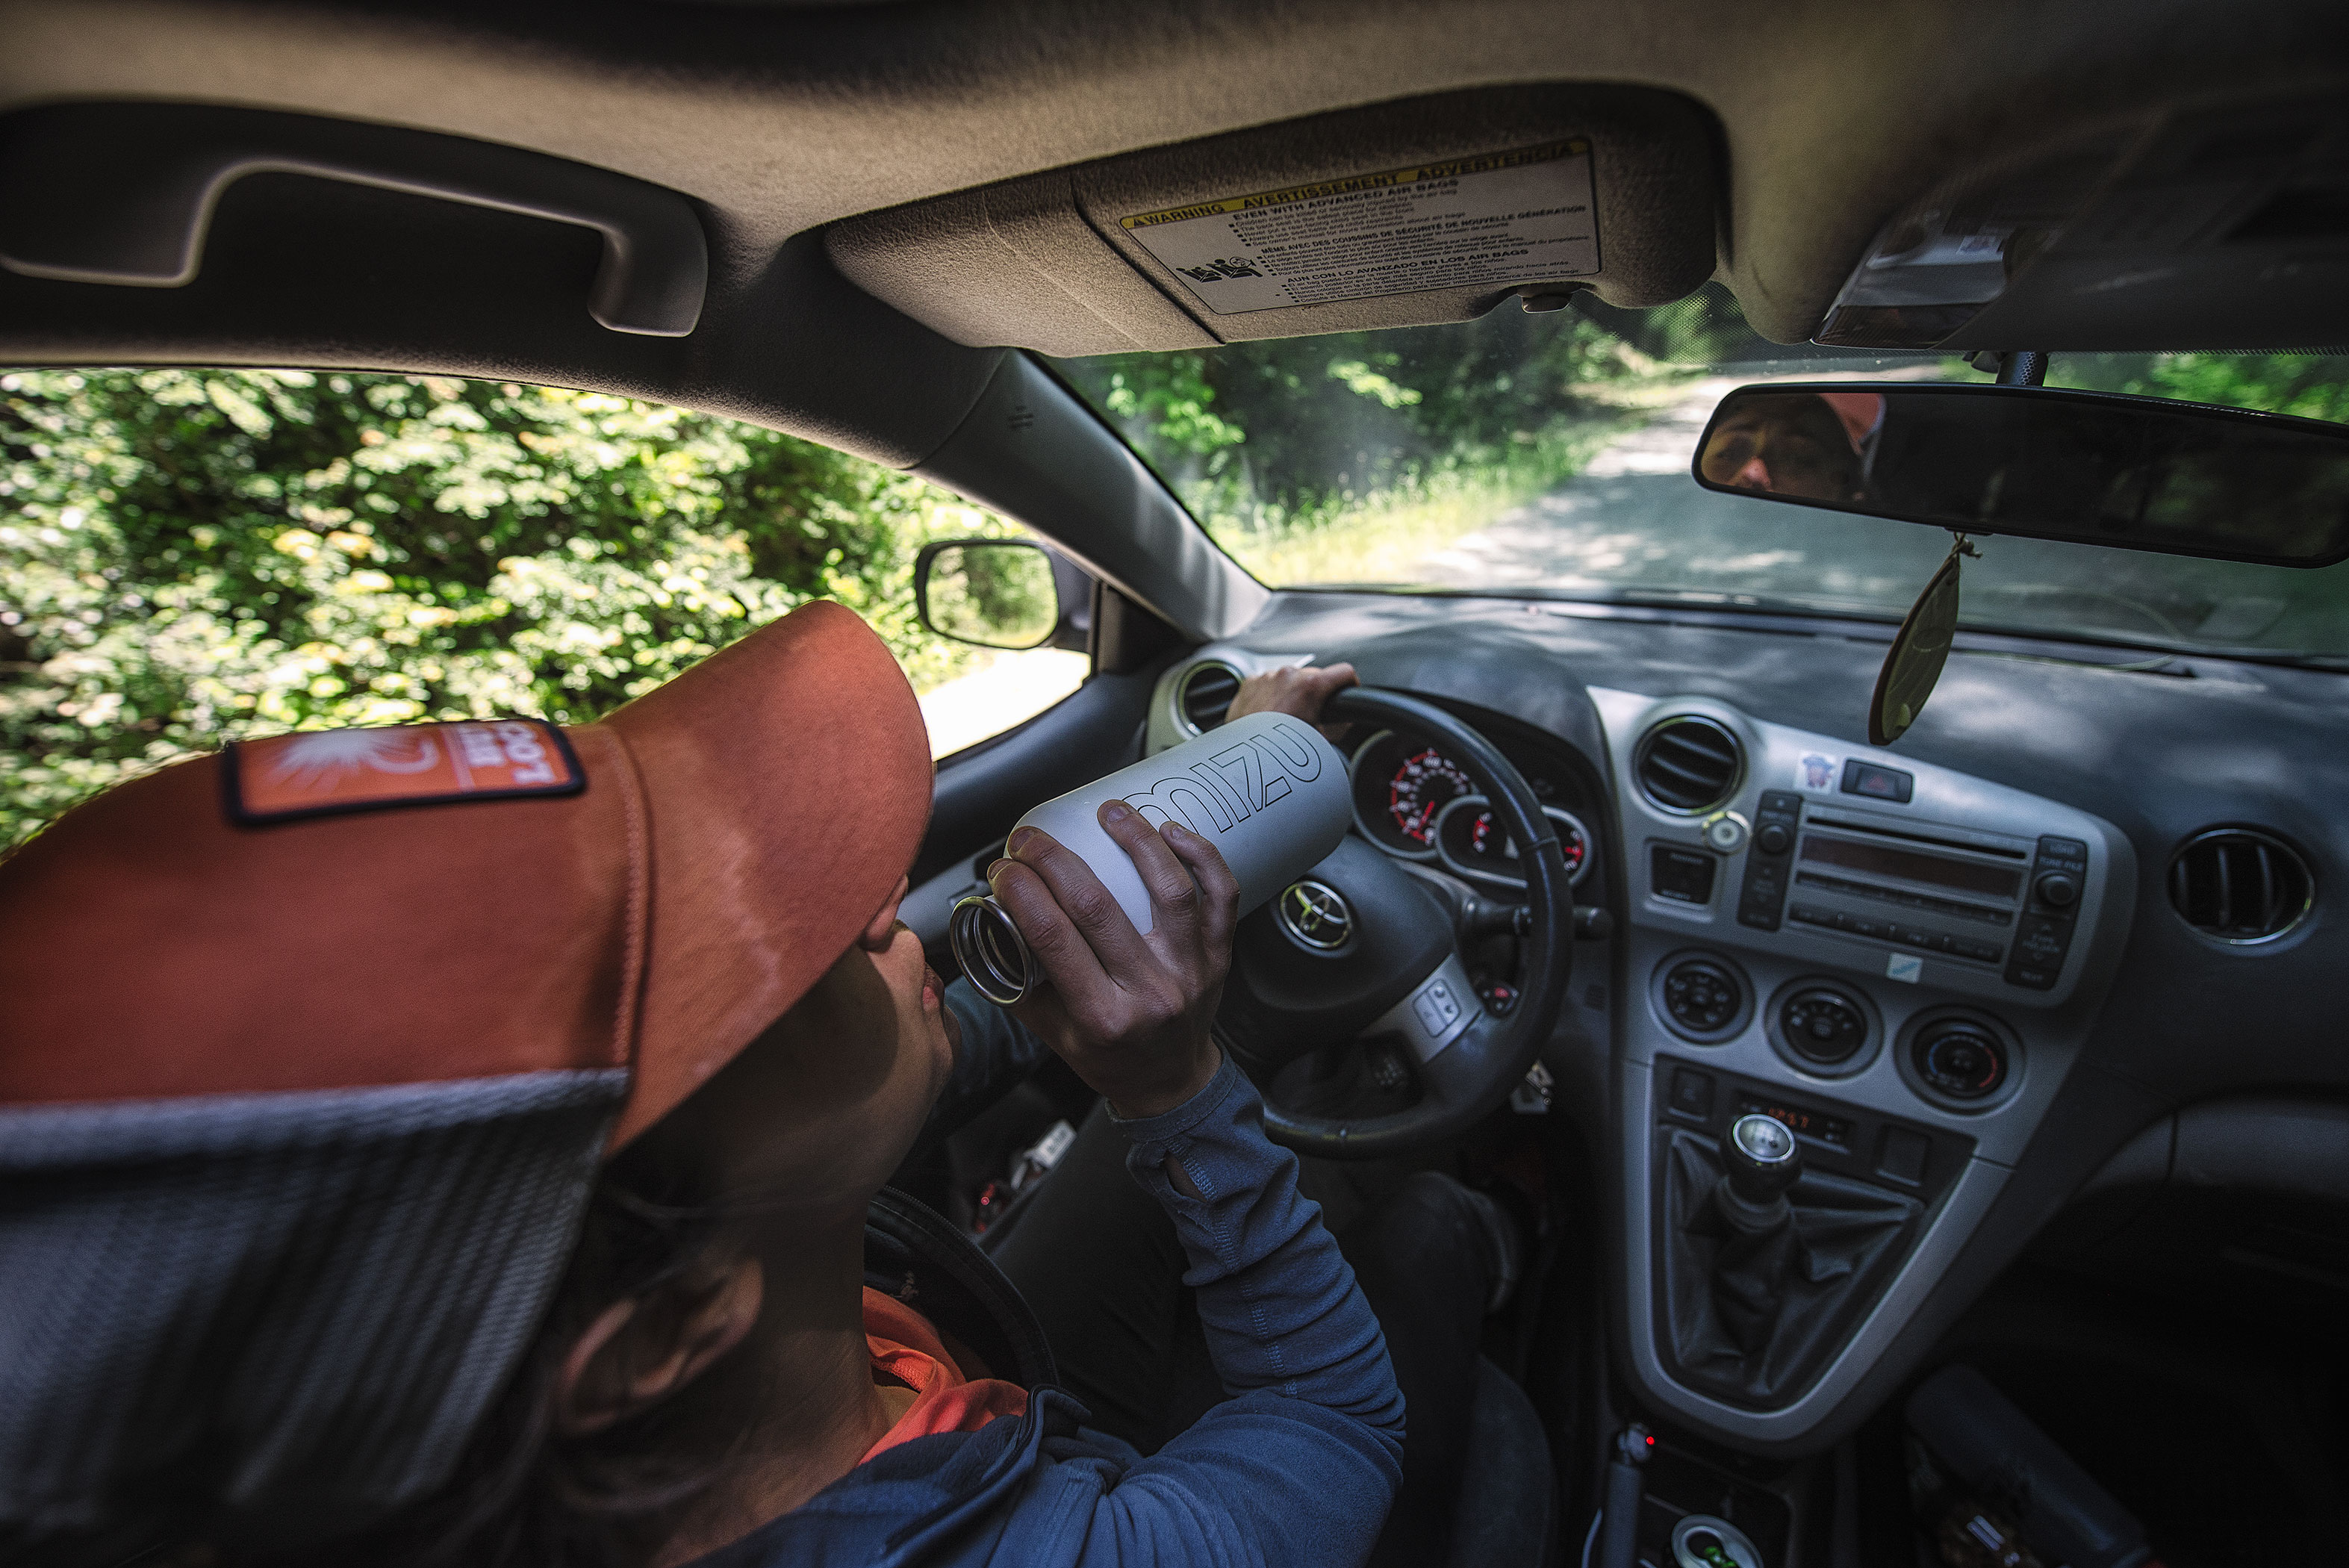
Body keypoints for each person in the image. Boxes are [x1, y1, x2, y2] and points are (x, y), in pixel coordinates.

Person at [0, 601, 1508, 1568]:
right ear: (661, 1330)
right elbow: (1328, 1415)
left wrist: (1235, 780)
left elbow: (930, 1021)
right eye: (775, 980)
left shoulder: (554, 1360)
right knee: (1432, 1231)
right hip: (1040, 1471)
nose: (875, 919)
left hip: (945, 1399)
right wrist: (1179, 1084)